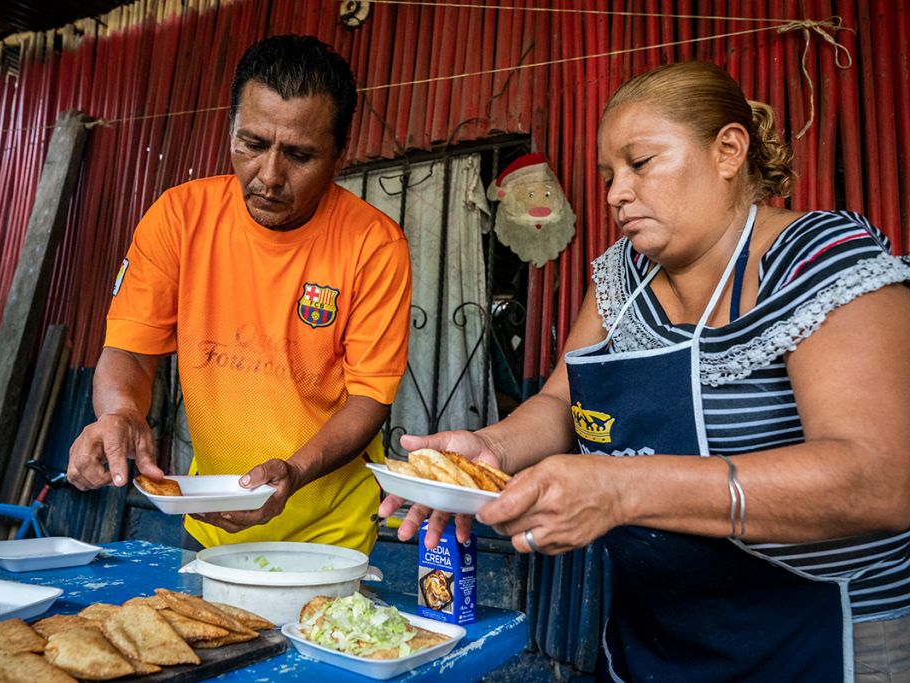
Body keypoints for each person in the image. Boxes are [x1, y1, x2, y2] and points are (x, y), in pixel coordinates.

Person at [382, 61, 910, 681]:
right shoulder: (622, 276)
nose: (615, 194)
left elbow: (881, 481)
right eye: (610, 175)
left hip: (819, 633)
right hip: (659, 634)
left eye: (641, 163)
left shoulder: (817, 260)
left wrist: (621, 489)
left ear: (728, 150)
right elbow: (559, 404)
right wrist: (489, 451)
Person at [69, 34, 412, 557]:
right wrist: (119, 411)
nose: (269, 177)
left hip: (330, 532)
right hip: (210, 516)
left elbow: (370, 398)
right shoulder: (179, 218)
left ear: (339, 155)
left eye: (299, 155)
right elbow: (131, 351)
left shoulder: (375, 245)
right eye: (252, 145)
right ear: (230, 129)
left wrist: (294, 471)